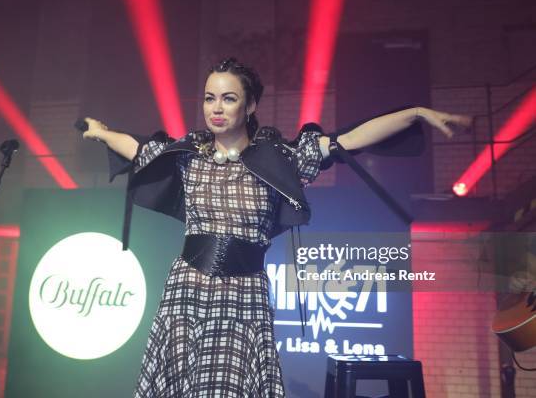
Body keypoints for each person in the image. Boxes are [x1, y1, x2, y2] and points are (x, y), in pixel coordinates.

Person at [81, 57, 472, 397]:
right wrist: (100, 133)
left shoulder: (279, 159)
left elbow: (348, 140)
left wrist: (417, 113)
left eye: (228, 98)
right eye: (209, 97)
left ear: (250, 105)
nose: (216, 108)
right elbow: (137, 148)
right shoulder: (188, 158)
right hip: (185, 296)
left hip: (244, 299)